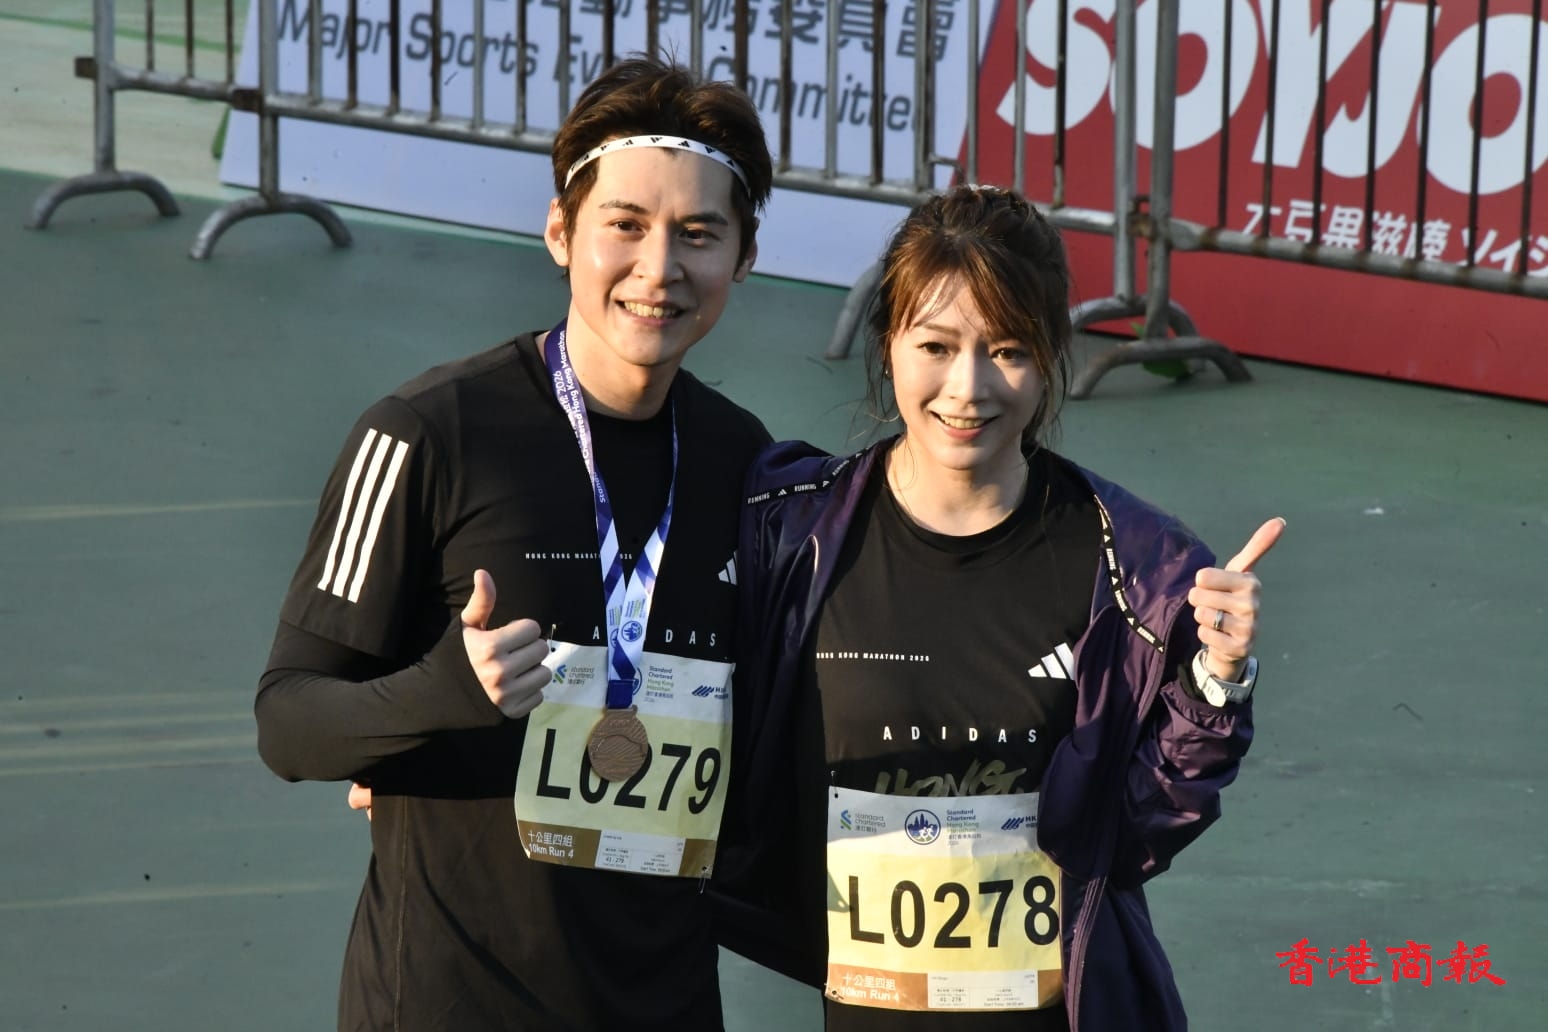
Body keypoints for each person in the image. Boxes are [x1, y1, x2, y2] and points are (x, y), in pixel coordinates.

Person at [255, 56, 773, 1030]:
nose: (659, 267)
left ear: (743, 257)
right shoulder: (426, 434)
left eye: (699, 234)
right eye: (625, 224)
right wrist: (438, 693)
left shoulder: (744, 464)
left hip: (662, 1006)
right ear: (561, 233)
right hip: (448, 1004)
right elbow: (287, 722)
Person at [715, 185, 1283, 1030]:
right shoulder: (787, 532)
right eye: (936, 345)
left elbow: (1141, 828)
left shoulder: (1139, 569)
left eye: (1008, 350)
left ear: (1051, 357)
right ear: (888, 342)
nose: (968, 388)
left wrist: (1216, 684)